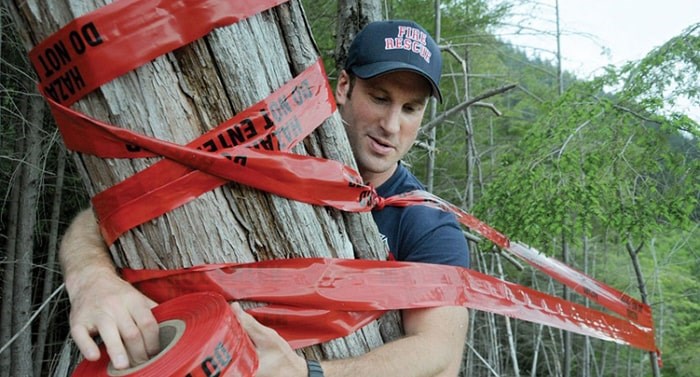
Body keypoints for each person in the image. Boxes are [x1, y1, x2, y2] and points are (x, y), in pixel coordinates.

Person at [60, 19, 470, 376]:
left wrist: (310, 373)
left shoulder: (425, 221)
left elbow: (438, 352)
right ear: (344, 86)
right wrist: (91, 278)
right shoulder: (280, 160)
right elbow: (119, 210)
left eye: (411, 108)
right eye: (380, 98)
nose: (391, 124)